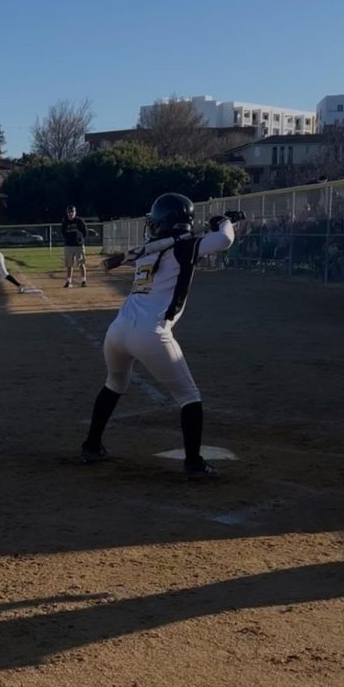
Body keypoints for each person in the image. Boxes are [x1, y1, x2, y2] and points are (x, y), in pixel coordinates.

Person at [81, 194, 240, 479]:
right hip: (151, 332)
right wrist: (224, 221)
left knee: (114, 384)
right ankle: (193, 462)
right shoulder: (185, 246)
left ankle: (91, 445)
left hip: (118, 329)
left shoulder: (149, 250)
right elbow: (225, 240)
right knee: (189, 395)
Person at [61, 205, 88, 288]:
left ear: (75, 212)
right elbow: (63, 232)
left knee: (81, 264)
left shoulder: (79, 221)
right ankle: (69, 281)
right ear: (67, 213)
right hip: (69, 246)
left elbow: (85, 231)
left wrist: (81, 240)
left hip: (78, 246)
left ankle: (83, 280)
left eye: (72, 211)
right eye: (69, 212)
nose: (71, 213)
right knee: (69, 265)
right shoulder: (65, 222)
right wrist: (68, 239)